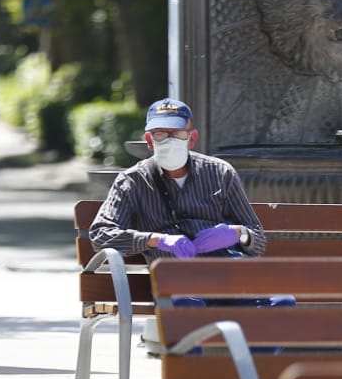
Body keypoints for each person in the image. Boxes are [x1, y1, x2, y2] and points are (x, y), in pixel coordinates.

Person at [89, 97, 268, 262]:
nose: (169, 140)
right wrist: (156, 240)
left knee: (282, 299)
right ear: (149, 141)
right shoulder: (132, 181)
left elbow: (259, 240)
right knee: (186, 299)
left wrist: (239, 233)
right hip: (174, 282)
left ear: (192, 138)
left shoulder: (220, 173)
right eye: (160, 133)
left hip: (225, 275)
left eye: (177, 133)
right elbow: (100, 234)